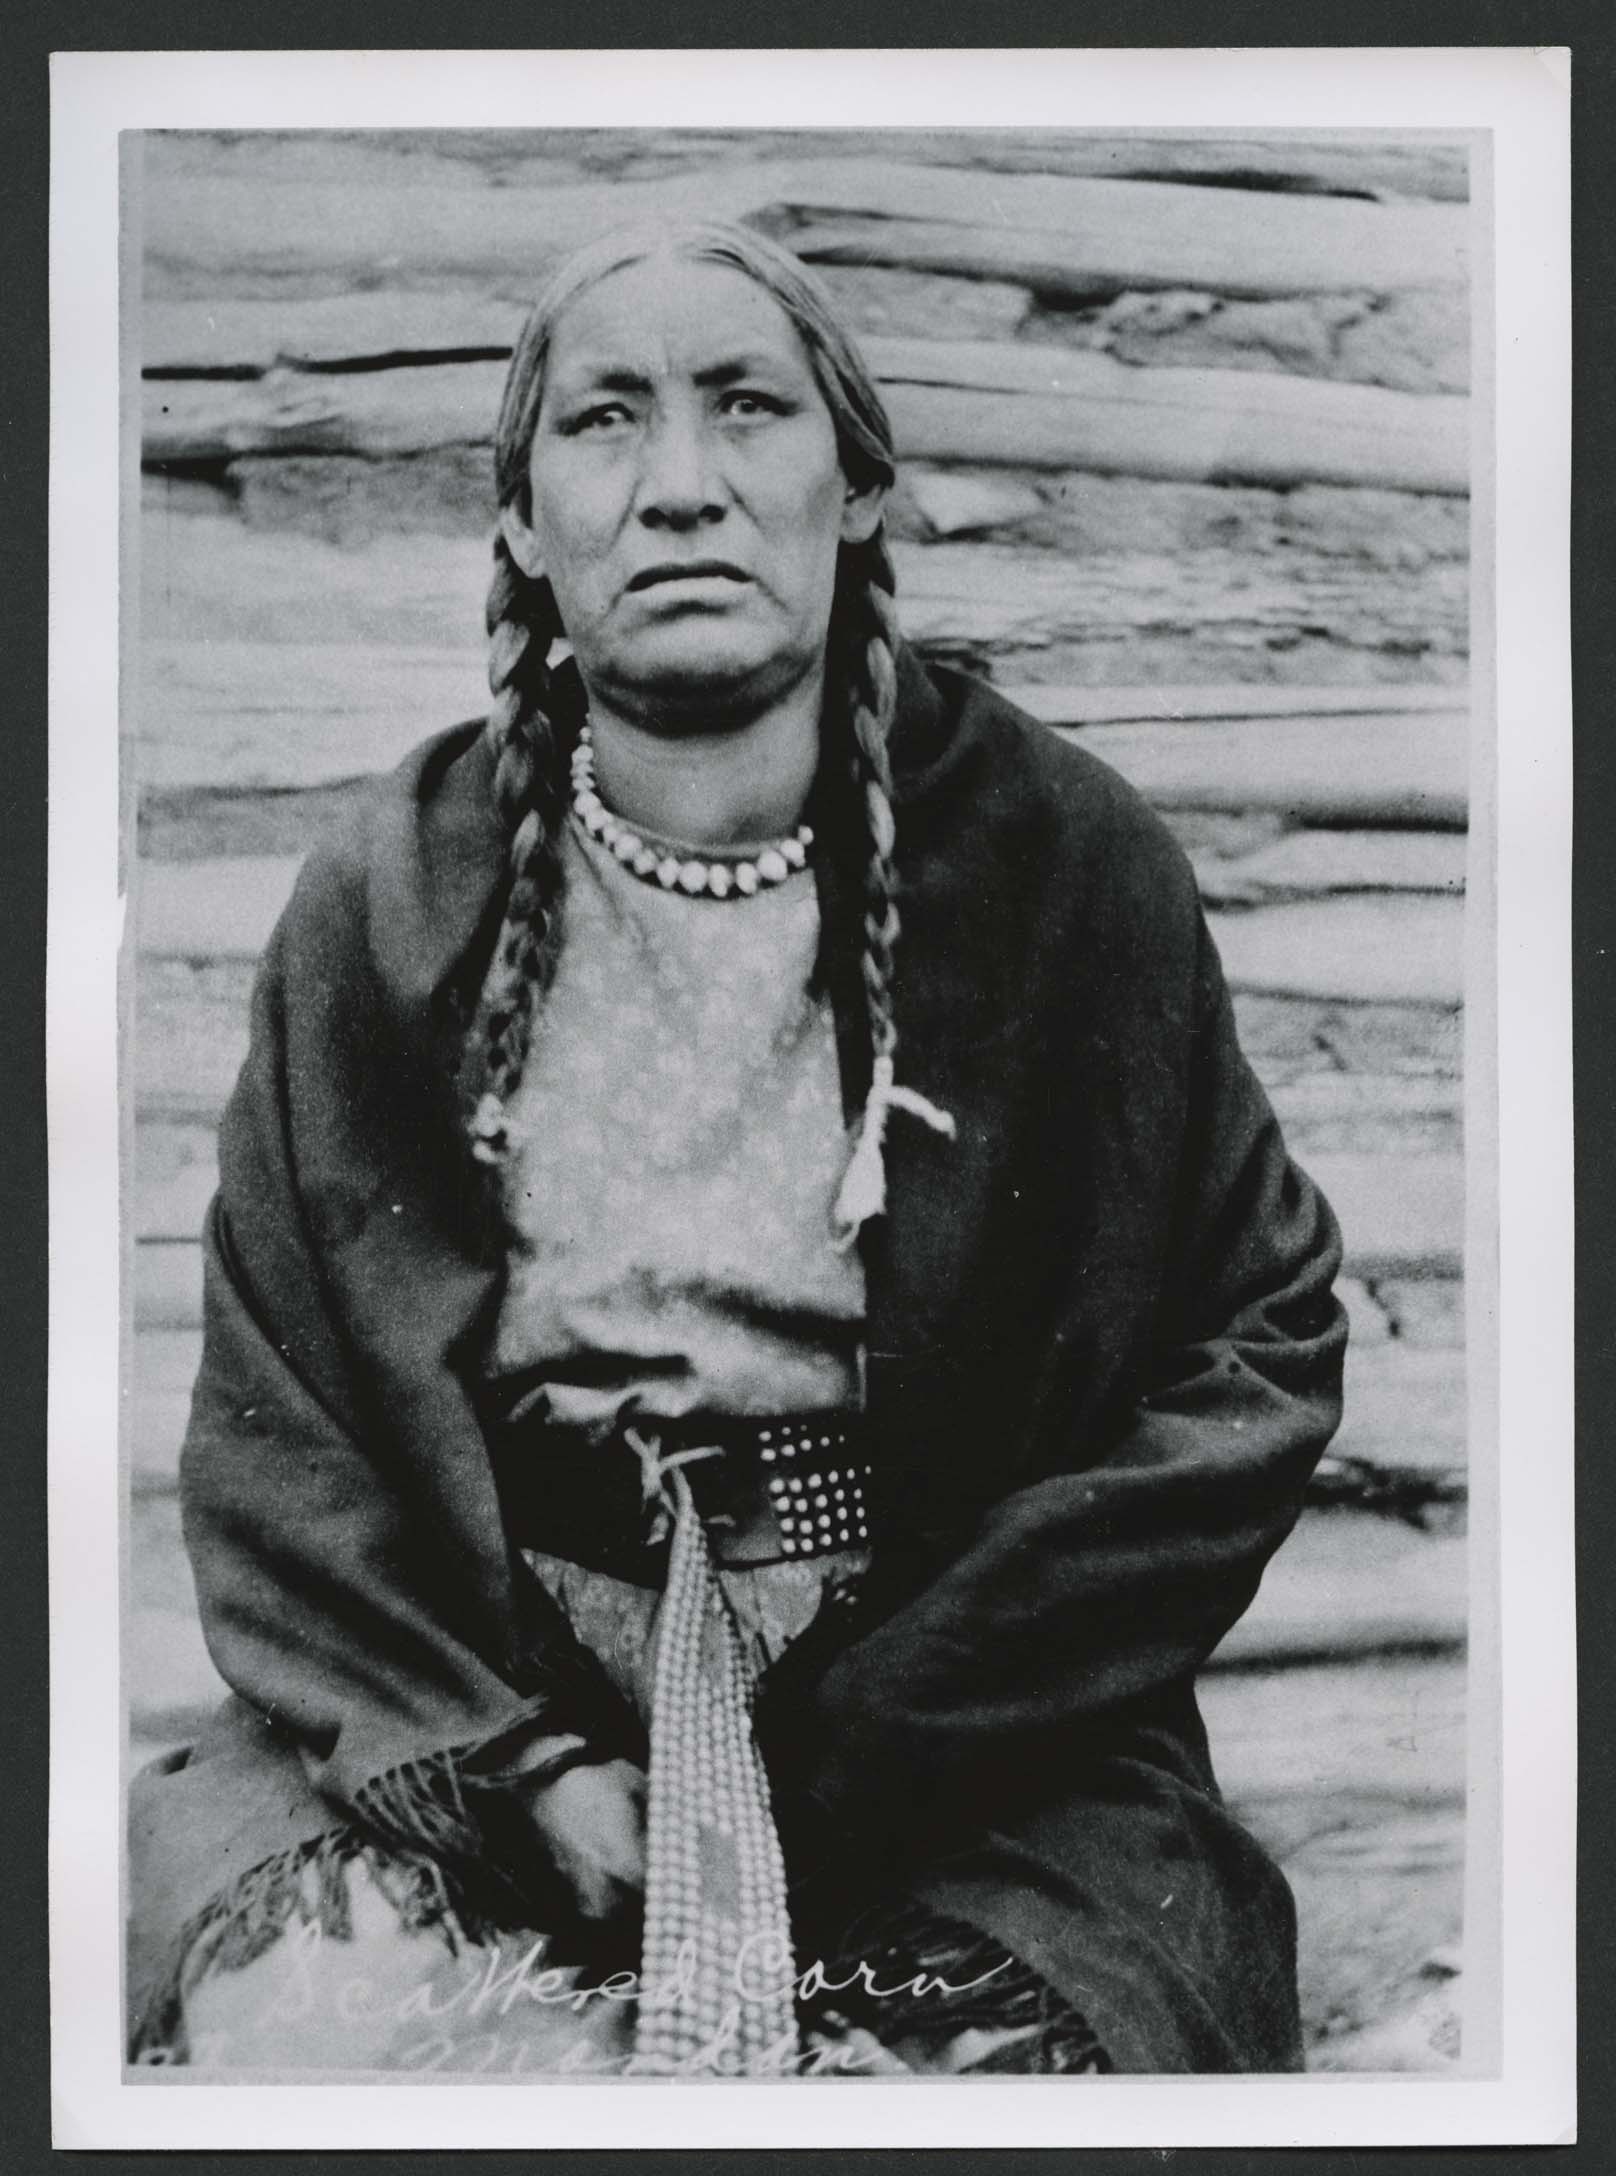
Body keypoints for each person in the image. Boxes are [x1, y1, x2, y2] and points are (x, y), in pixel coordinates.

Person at [127, 218, 1347, 2077]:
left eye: (748, 408)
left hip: (956, 1723)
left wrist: (899, 1723)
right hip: (485, 1701)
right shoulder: (389, 900)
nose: (681, 484)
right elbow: (280, 1426)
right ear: (525, 523)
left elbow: (1252, 1346)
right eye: (606, 422)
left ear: (858, 489)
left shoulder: (1067, 871)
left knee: (942, 2083)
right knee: (338, 2030)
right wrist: (509, 1769)